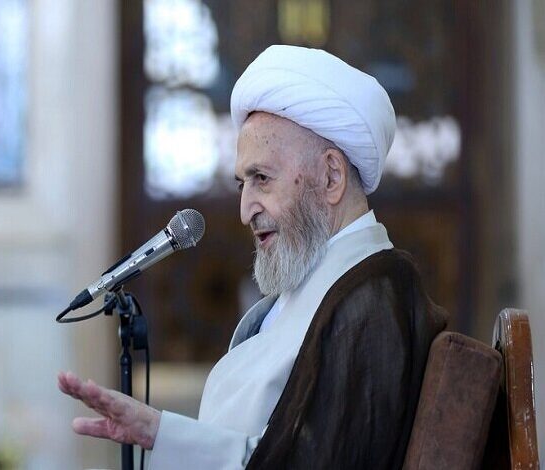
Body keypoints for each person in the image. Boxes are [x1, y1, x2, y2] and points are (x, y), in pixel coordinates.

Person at [58, 45, 447, 469]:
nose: (245, 211)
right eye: (242, 183)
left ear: (331, 176)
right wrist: (159, 432)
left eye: (262, 178)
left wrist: (162, 434)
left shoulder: (373, 297)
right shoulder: (327, 283)